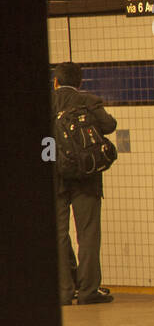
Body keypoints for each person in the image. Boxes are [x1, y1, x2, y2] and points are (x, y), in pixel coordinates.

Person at [52, 62, 117, 306]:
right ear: (79, 83)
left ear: (55, 81)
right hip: (86, 177)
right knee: (88, 233)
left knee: (58, 233)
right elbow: (110, 126)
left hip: (55, 178)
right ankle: (89, 290)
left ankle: (64, 291)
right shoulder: (88, 100)